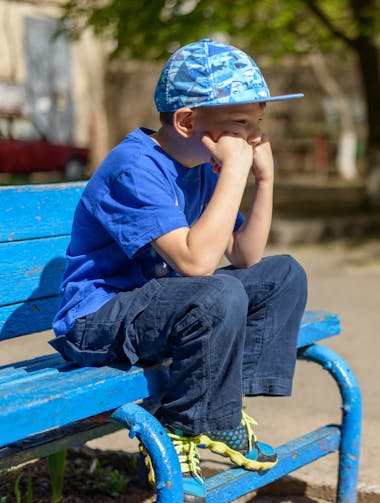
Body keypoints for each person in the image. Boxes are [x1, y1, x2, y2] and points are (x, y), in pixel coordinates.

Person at [49, 39, 308, 500]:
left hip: (163, 311)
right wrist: (234, 172)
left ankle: (222, 413)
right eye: (240, 124)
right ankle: (186, 425)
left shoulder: (204, 169)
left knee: (283, 274)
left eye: (257, 124)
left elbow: (244, 257)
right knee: (216, 293)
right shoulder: (134, 166)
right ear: (188, 121)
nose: (253, 138)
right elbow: (196, 263)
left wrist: (263, 180)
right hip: (95, 322)